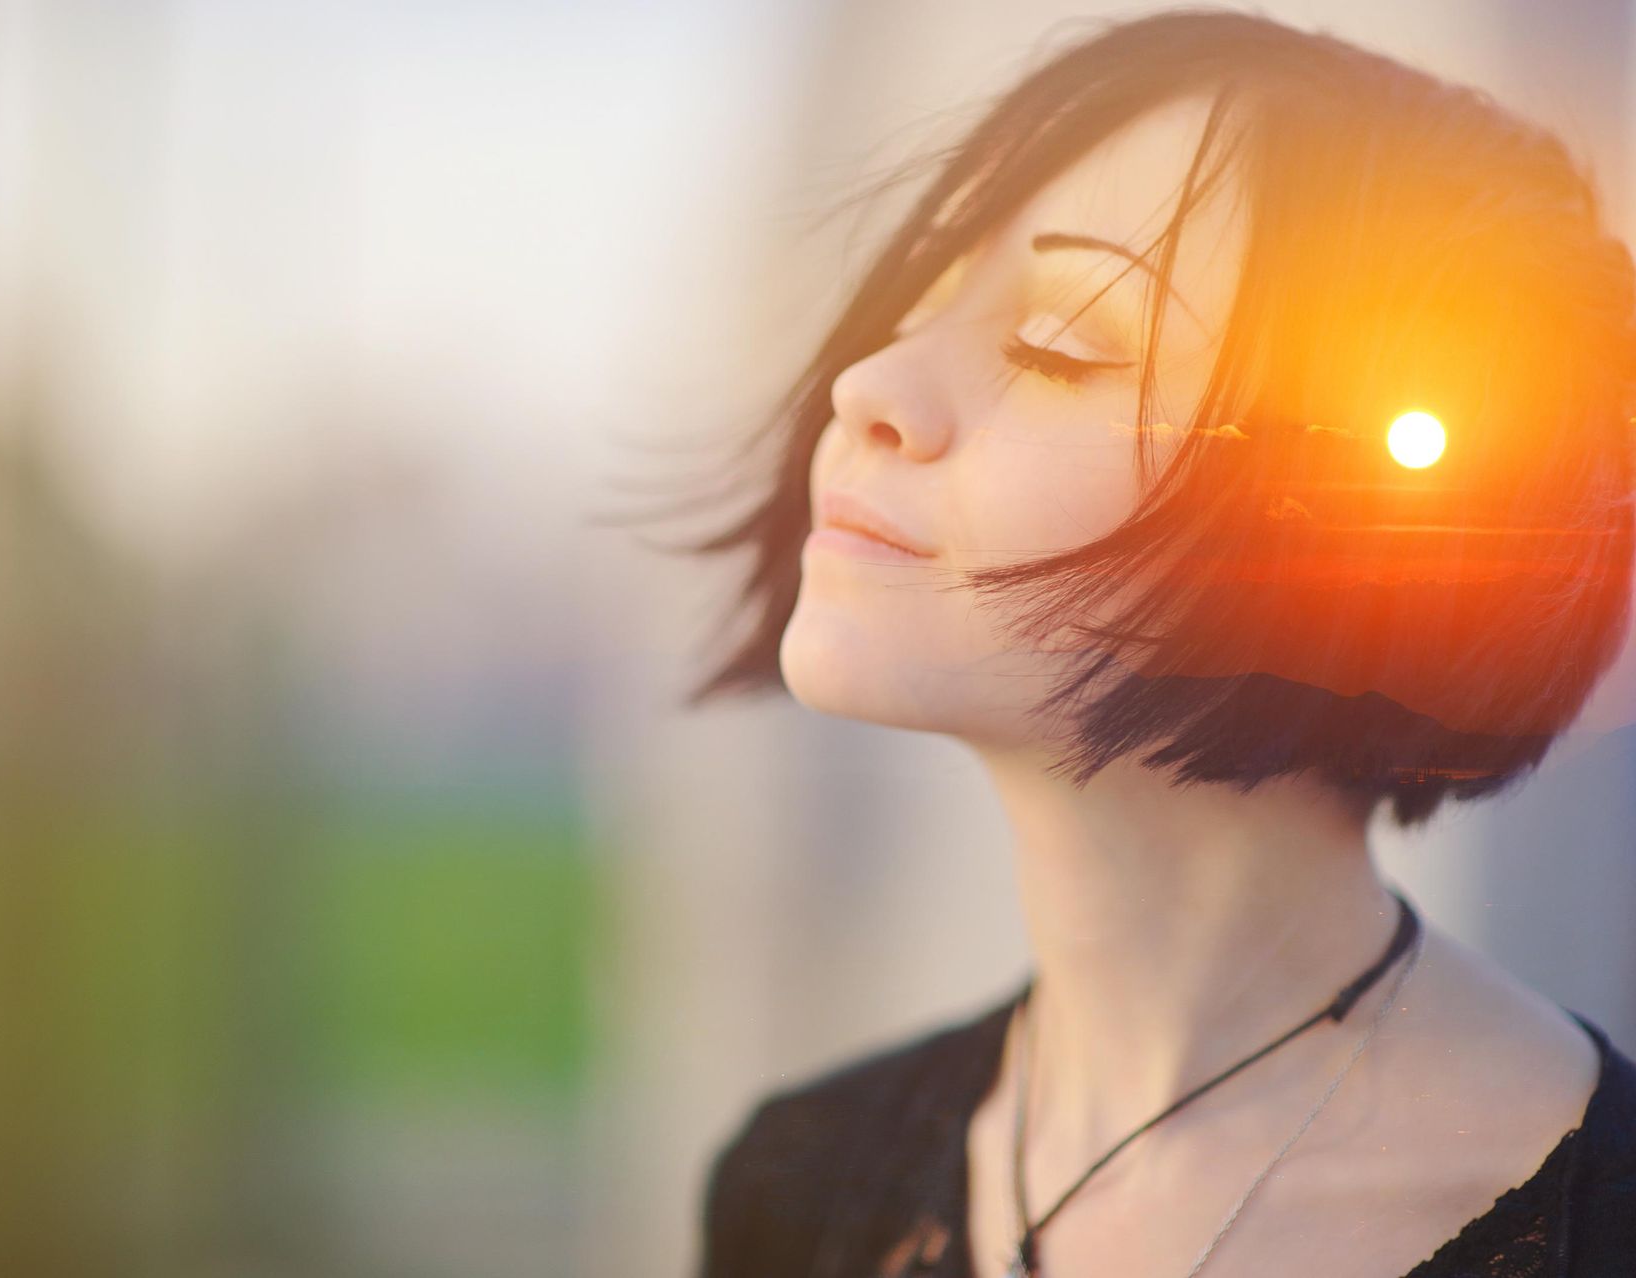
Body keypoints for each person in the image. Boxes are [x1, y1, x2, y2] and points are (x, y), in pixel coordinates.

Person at [676, 8, 1636, 1276]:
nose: (873, 386)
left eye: (1057, 341)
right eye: (928, 295)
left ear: (1338, 517)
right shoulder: (798, 1187)